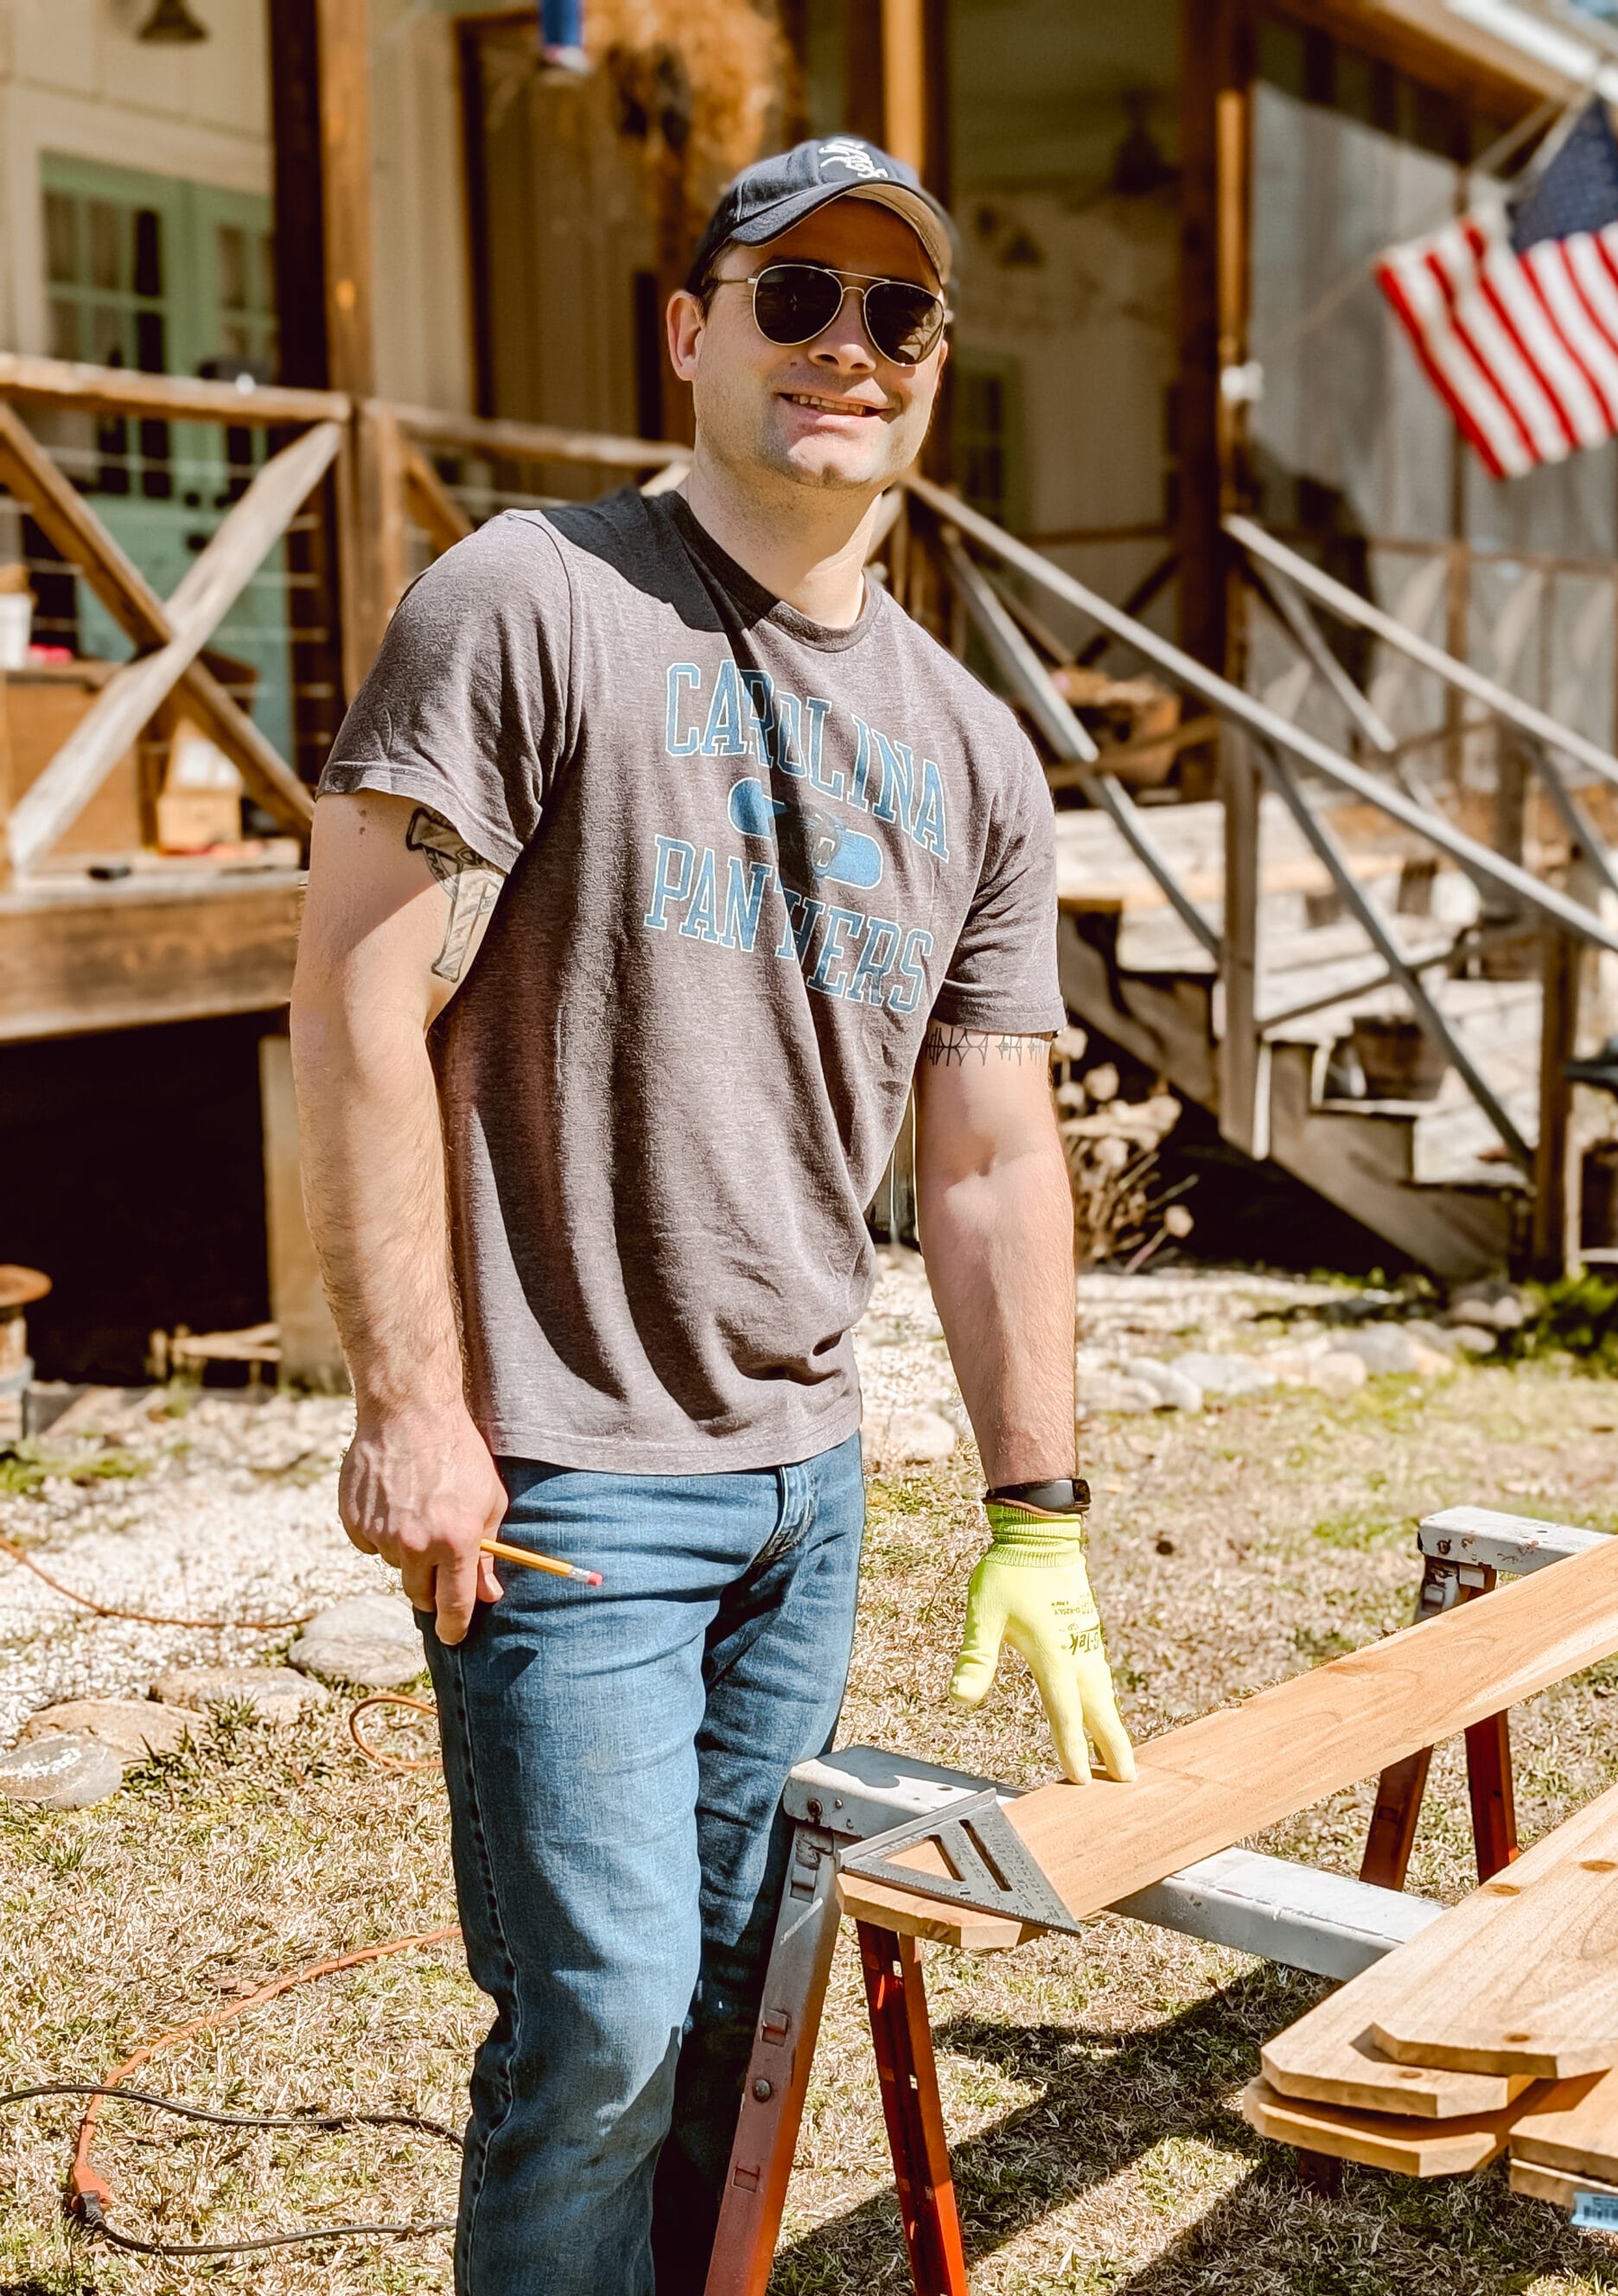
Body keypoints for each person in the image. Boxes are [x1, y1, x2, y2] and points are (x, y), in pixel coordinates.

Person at [290, 134, 1134, 2296]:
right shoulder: (530, 600)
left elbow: (988, 1153)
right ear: (691, 331)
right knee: (596, 2026)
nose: (843, 346)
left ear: (934, 370)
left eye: (895, 314)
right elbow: (361, 1010)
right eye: (793, 297)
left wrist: (1034, 1502)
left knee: (743, 2013)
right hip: (565, 1474)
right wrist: (413, 1401)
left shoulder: (970, 750)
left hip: (804, 1489)